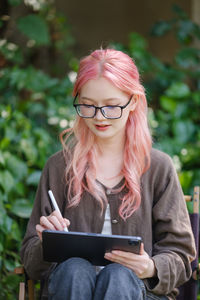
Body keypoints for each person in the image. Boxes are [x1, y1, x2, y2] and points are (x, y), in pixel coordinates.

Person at [21, 48, 196, 300]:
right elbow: (31, 265)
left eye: (111, 106)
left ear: (133, 101)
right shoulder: (58, 167)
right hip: (70, 289)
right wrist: (45, 242)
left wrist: (151, 267)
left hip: (136, 293)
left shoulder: (159, 168)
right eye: (88, 106)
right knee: (74, 269)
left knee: (119, 275)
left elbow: (180, 256)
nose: (99, 117)